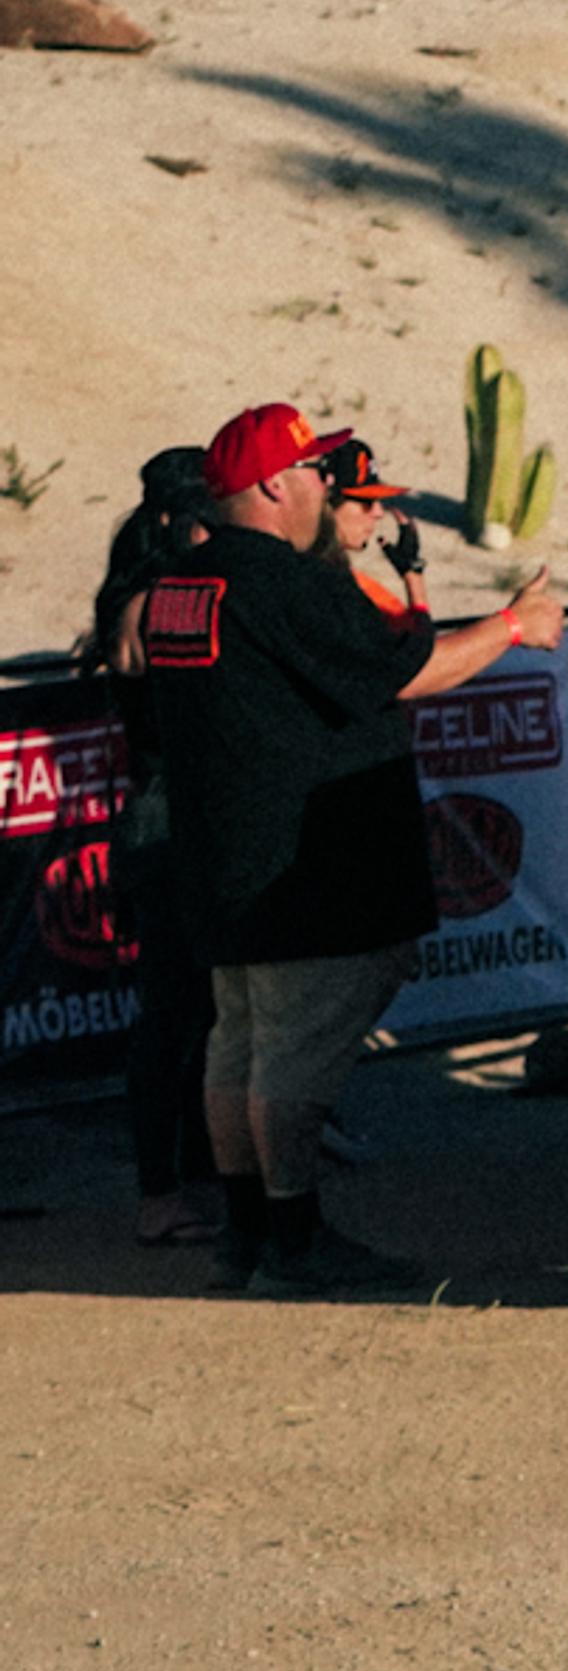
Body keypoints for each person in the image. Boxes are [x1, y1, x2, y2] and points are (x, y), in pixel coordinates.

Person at [141, 401, 565, 1300]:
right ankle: (294, 1242)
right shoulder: (280, 581)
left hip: (222, 861)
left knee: (240, 1047)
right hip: (307, 866)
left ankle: (248, 1238)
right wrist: (513, 625)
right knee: (288, 1053)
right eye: (311, 472)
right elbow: (404, 673)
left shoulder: (184, 580)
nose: (325, 488)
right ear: (270, 484)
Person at [79, 447, 221, 1246]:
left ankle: (196, 1176)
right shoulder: (147, 601)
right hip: (165, 821)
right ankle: (159, 1192)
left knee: (201, 1012)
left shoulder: (148, 589)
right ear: (173, 519)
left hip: (175, 817)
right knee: (170, 1016)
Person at [317, 431, 427, 618]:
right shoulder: (331, 588)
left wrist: (412, 573)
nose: (379, 512)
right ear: (325, 502)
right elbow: (423, 644)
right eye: (366, 502)